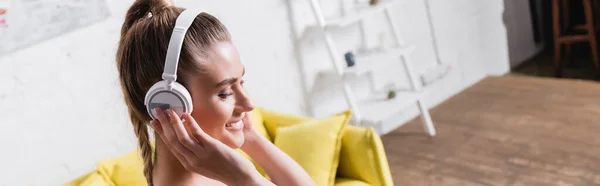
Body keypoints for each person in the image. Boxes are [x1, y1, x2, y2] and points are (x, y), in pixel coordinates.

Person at [115, 0, 316, 185]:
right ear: (169, 104)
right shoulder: (229, 175)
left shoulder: (213, 171)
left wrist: (250, 137)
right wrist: (245, 178)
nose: (249, 104)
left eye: (241, 82)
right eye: (225, 92)